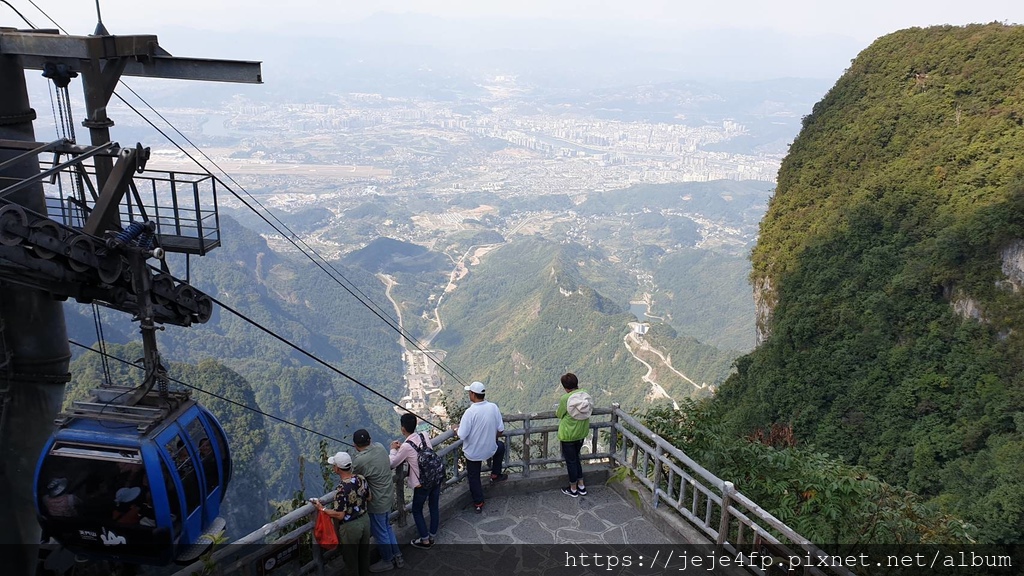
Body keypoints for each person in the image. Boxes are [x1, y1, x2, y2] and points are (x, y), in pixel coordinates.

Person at [350, 429, 404, 572]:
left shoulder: (360, 460)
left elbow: (351, 477)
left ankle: (387, 561)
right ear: (370, 439)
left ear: (355, 444)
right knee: (387, 527)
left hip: (376, 501)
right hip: (388, 495)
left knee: (381, 532)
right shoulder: (380, 447)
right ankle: (397, 555)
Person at [314, 452, 371, 576]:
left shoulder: (341, 489)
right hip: (365, 521)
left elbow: (340, 515)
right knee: (364, 557)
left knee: (351, 562)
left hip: (351, 527)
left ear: (337, 469)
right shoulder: (361, 479)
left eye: (334, 465)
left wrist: (322, 509)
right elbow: (369, 497)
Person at [453, 381, 506, 513]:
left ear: (472, 394)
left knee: (474, 476)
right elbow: (501, 430)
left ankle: (478, 502)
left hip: (474, 453)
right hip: (490, 449)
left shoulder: (470, 412)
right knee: (501, 447)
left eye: (469, 392)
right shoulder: (493, 407)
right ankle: (495, 474)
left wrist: (455, 429)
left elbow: (462, 435)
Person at [390, 413, 439, 549]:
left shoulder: (406, 447)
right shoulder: (424, 435)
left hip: (422, 483)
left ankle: (425, 540)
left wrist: (393, 450)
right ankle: (432, 535)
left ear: (403, 429)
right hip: (435, 477)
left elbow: (393, 463)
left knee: (417, 510)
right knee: (433, 506)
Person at [556, 372, 589, 497]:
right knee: (576, 459)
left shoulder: (566, 398)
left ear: (565, 387)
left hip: (568, 434)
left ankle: (573, 488)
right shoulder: (585, 394)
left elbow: (559, 414)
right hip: (581, 433)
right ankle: (581, 486)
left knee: (571, 461)